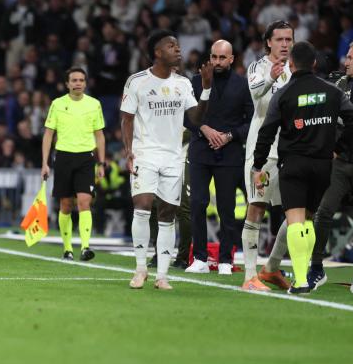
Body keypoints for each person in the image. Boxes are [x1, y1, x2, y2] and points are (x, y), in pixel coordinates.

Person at [252, 41, 353, 294]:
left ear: (291, 64)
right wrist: (339, 147)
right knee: (309, 219)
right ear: (314, 63)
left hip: (294, 164)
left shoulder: (284, 94)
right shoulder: (331, 91)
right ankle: (307, 275)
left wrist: (258, 165)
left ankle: (301, 280)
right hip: (324, 165)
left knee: (296, 221)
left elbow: (267, 131)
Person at [121, 30, 210, 290]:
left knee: (168, 213)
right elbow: (126, 118)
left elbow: (195, 120)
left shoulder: (183, 83)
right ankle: (140, 269)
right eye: (172, 46)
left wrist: (205, 90)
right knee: (143, 204)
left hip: (173, 156)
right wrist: (128, 150)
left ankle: (162, 276)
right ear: (158, 53)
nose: (178, 50)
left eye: (178, 45)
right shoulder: (137, 81)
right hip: (144, 152)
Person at [185, 40, 253, 275]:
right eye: (214, 57)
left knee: (227, 208)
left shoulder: (243, 85)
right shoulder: (195, 81)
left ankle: (225, 259)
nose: (217, 62)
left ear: (232, 59)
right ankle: (200, 258)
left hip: (230, 153)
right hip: (201, 150)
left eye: (222, 58)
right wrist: (204, 129)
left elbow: (251, 120)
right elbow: (186, 116)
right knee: (197, 204)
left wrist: (231, 135)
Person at [241, 20, 294, 291]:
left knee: (298, 211)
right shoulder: (257, 67)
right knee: (256, 208)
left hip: (290, 151)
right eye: (280, 39)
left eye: (289, 39)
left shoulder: (296, 70)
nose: (285, 44)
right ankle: (250, 276)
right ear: (269, 42)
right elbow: (254, 93)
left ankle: (272, 268)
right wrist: (272, 76)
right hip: (262, 152)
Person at [309, 39, 353, 293]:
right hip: (340, 163)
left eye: (351, 57)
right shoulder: (341, 84)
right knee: (324, 212)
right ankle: (316, 267)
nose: (346, 61)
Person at [41, 67, 105, 262]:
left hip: (86, 158)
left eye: (81, 80)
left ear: (85, 83)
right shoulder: (57, 104)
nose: (78, 83)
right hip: (63, 158)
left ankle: (85, 247)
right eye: (74, 80)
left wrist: (101, 163)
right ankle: (67, 248)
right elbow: (48, 134)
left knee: (85, 201)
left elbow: (100, 135)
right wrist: (45, 163)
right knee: (66, 205)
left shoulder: (94, 104)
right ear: (67, 84)